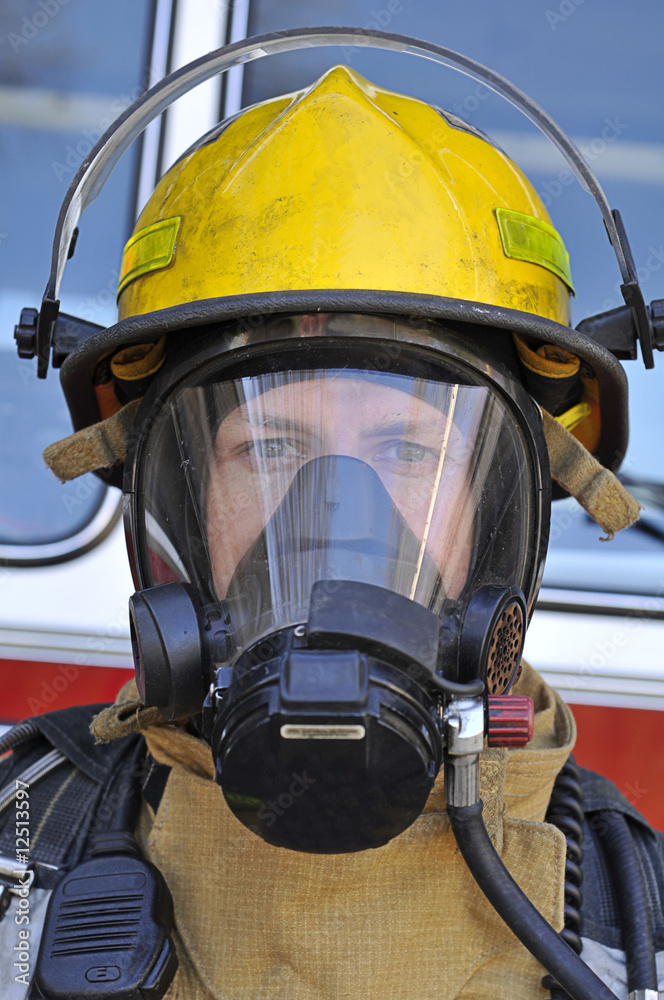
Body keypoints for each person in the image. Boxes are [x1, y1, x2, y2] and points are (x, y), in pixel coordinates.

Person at [1, 48, 663, 1000]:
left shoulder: (636, 915)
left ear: (500, 513)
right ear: (177, 502)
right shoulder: (22, 835)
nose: (337, 519)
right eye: (271, 449)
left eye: (409, 452)